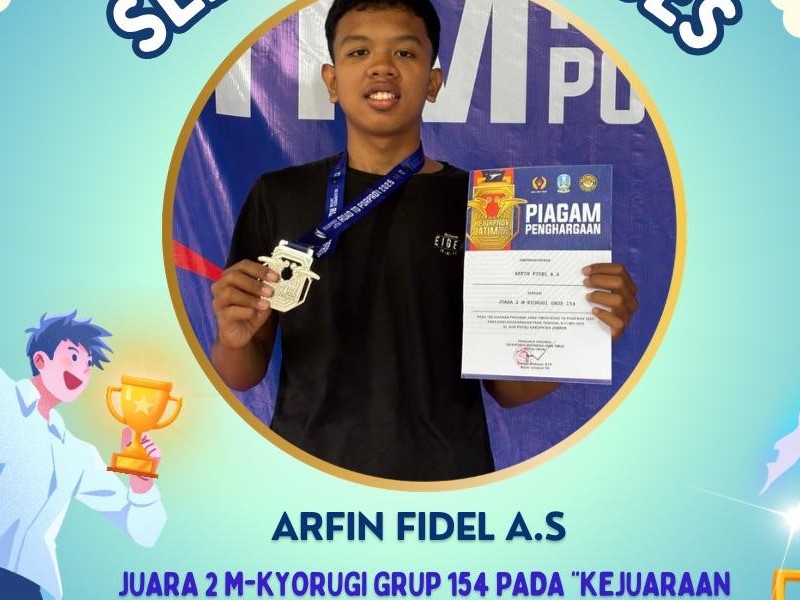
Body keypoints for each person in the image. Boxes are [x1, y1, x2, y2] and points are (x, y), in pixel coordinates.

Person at [210, 0, 638, 481]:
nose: (381, 67)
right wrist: (231, 338)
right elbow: (241, 372)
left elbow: (508, 389)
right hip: (309, 474)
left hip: (447, 481)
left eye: (405, 53)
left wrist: (585, 331)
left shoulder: (486, 206)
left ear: (433, 84)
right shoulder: (278, 195)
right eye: (359, 52)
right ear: (331, 81)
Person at [0, 312, 165, 600]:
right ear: (40, 360)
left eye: (88, 365)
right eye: (73, 357)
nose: (82, 371)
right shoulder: (5, 397)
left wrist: (142, 487)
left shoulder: (77, 454)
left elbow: (144, 533)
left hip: (25, 586)